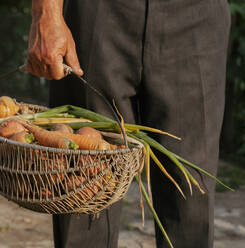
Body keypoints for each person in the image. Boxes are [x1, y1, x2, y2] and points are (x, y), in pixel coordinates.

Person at [25, 0, 231, 247]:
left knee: (190, 196)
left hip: (195, 18)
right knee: (83, 183)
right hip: (98, 14)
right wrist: (46, 12)